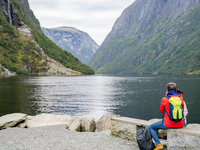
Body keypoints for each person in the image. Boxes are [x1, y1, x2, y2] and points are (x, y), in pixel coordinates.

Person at [149, 83, 185, 150]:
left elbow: (161, 110)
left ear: (167, 90)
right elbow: (182, 109)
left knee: (151, 127)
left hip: (168, 124)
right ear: (176, 90)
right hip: (180, 124)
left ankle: (159, 145)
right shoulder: (180, 98)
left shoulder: (164, 99)